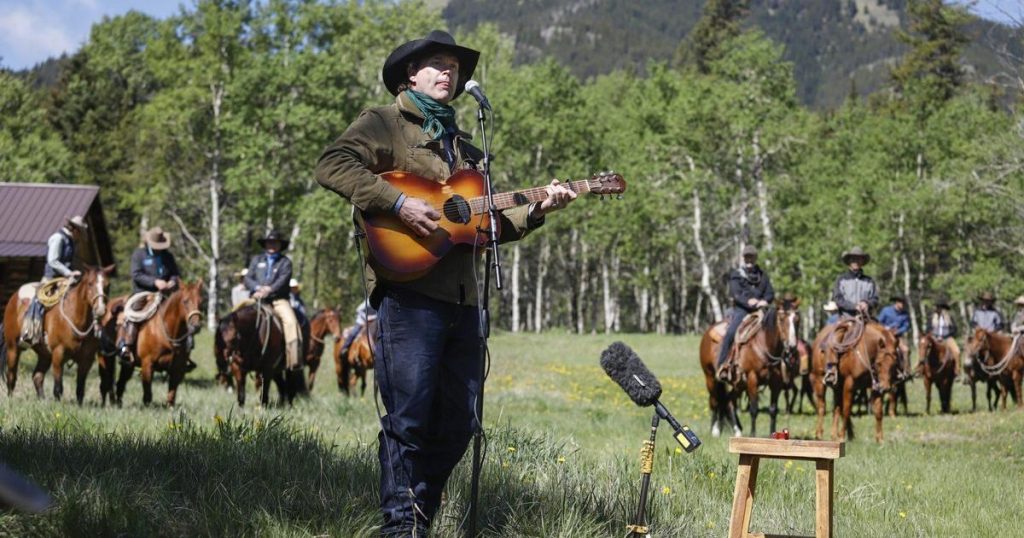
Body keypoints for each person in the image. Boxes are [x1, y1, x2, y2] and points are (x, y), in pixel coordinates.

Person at [315, 29, 577, 536]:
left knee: (460, 425)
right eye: (437, 64)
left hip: (464, 303)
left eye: (453, 67)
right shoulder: (384, 124)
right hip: (409, 296)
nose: (448, 73)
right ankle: (400, 528)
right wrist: (396, 202)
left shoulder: (467, 150)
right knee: (408, 421)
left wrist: (539, 208)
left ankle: (419, 517)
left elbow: (482, 226)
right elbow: (332, 165)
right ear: (411, 74)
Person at [21, 216, 88, 345]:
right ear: (75, 230)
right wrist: (69, 273)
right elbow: (53, 261)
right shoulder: (58, 238)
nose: (80, 236)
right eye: (80, 232)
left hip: (66, 279)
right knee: (41, 299)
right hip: (51, 278)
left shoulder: (72, 241)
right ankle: (30, 330)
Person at [118, 226, 181, 362]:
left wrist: (172, 281)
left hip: (166, 294)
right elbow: (136, 275)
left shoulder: (167, 256)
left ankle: (183, 349)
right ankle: (127, 346)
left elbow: (175, 274)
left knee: (181, 312)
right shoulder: (139, 255)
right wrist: (155, 282)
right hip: (143, 292)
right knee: (133, 313)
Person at [715, 245, 775, 382]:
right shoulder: (737, 275)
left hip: (761, 310)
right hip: (742, 310)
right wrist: (749, 302)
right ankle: (722, 364)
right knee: (730, 333)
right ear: (743, 258)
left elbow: (770, 292)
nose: (749, 259)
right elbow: (736, 294)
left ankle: (779, 365)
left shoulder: (762, 275)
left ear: (755, 258)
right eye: (747, 257)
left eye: (752, 257)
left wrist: (764, 301)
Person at [245, 231, 302, 371]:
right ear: (265, 244)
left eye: (275, 243)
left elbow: (282, 281)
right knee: (235, 315)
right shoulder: (256, 260)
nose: (272, 245)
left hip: (278, 300)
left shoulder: (285, 262)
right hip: (256, 298)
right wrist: (257, 288)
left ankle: (293, 360)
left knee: (291, 322)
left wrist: (268, 290)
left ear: (280, 245)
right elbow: (248, 278)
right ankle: (229, 355)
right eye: (269, 242)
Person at [823, 246, 879, 384]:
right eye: (853, 259)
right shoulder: (841, 280)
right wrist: (854, 306)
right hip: (846, 319)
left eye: (858, 259)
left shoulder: (869, 281)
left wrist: (867, 303)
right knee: (833, 340)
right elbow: (838, 299)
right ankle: (831, 369)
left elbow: (875, 299)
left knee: (884, 339)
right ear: (849, 262)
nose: (856, 261)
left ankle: (885, 373)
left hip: (866, 320)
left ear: (862, 262)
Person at [924, 295, 961, 377]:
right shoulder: (932, 317)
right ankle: (922, 369)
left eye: (939, 307)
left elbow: (954, 329)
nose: (937, 309)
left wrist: (948, 335)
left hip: (947, 338)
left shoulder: (949, 317)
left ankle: (957, 370)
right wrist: (932, 336)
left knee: (957, 351)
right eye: (937, 307)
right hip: (934, 338)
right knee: (924, 350)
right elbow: (928, 328)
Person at [878, 295, 911, 377]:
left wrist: (898, 331)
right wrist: (885, 329)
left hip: (897, 337)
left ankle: (906, 371)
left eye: (904, 303)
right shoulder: (886, 311)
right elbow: (879, 322)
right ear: (896, 302)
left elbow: (906, 326)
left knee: (905, 350)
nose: (902, 305)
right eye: (901, 303)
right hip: (885, 336)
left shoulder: (905, 314)